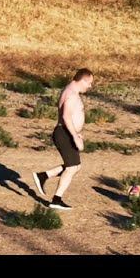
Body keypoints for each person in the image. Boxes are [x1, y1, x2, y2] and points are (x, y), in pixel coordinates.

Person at [32, 68, 94, 210]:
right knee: (72, 167)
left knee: (75, 166)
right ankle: (56, 200)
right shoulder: (71, 94)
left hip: (67, 133)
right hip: (64, 134)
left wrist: (76, 133)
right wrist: (75, 136)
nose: (90, 86)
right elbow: (66, 116)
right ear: (82, 80)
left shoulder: (70, 91)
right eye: (89, 83)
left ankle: (43, 176)